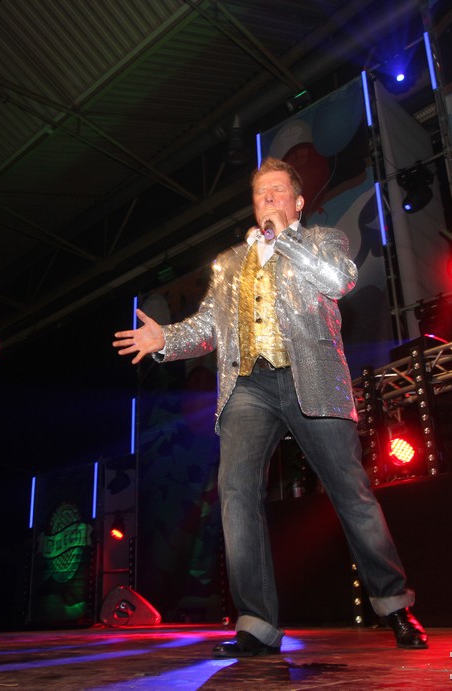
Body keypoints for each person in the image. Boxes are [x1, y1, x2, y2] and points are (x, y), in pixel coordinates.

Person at [113, 157, 427, 656]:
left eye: (278, 191)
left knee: (351, 492)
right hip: (248, 385)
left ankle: (394, 605)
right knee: (235, 491)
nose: (268, 200)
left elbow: (338, 281)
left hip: (313, 380)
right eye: (261, 194)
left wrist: (287, 240)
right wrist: (165, 339)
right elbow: (209, 327)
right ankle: (256, 624)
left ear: (298, 202)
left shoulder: (323, 240)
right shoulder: (229, 262)